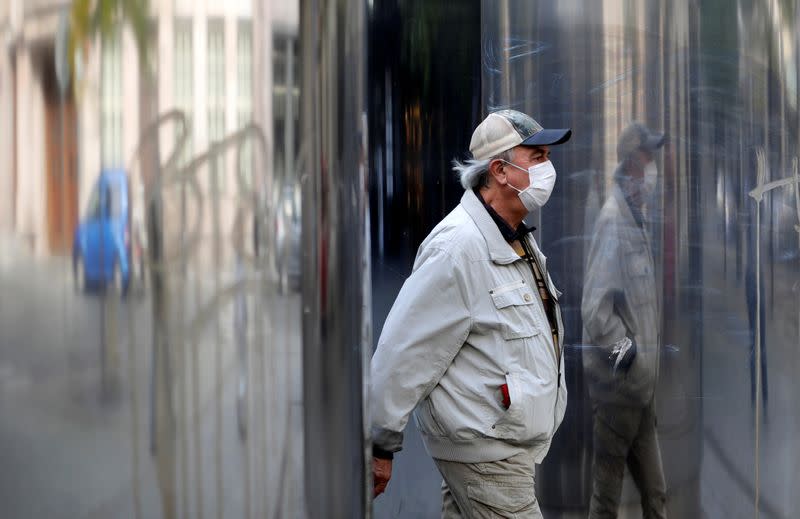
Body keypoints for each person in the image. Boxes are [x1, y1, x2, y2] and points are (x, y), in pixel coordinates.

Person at [371, 109, 571, 518]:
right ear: (499, 169)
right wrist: (379, 443)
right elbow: (404, 350)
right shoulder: (458, 247)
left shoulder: (514, 237)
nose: (547, 168)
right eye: (537, 157)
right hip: (488, 456)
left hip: (502, 446)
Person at [581, 122, 668, 518]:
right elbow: (596, 310)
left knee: (656, 495)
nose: (654, 168)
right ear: (633, 163)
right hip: (620, 393)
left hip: (641, 392)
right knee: (606, 501)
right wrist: (626, 356)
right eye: (649, 158)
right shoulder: (613, 221)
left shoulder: (637, 219)